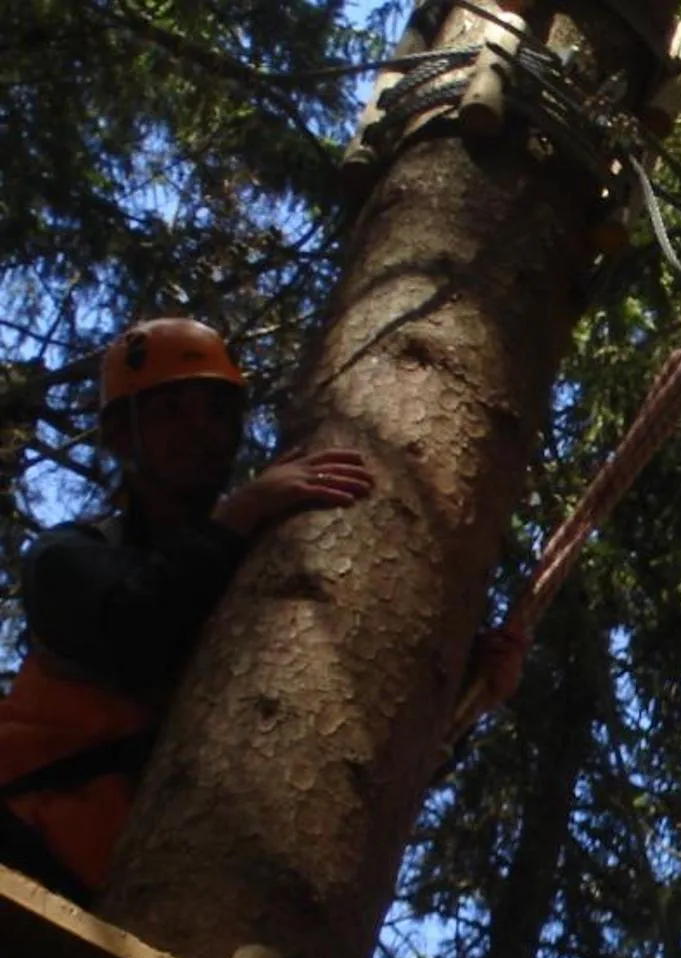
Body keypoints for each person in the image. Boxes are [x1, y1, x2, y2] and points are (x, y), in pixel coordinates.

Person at [0, 318, 519, 904]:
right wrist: (239, 515)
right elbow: (136, 629)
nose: (199, 430)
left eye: (216, 413)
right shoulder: (68, 559)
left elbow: (336, 756)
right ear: (122, 437)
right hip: (19, 856)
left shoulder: (247, 587)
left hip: (120, 910)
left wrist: (465, 701)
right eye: (171, 411)